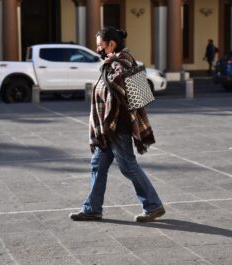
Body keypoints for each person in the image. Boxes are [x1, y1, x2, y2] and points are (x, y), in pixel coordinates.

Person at [69, 26, 165, 222]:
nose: (98, 49)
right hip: (108, 128)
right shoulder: (119, 62)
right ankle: (92, 209)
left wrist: (112, 67)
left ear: (110, 44)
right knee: (98, 164)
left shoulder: (121, 63)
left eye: (99, 45)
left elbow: (135, 95)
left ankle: (153, 205)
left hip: (118, 127)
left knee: (128, 167)